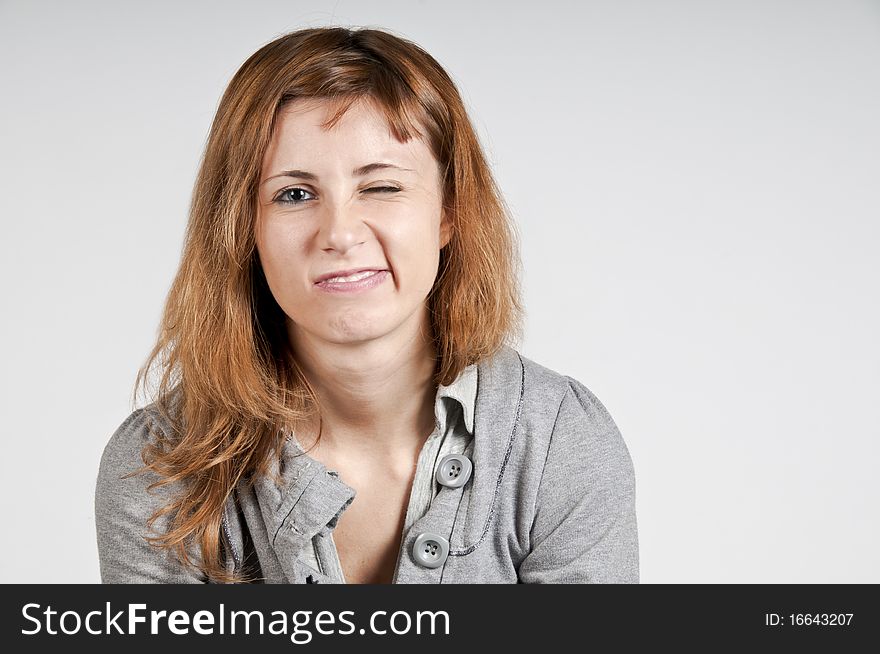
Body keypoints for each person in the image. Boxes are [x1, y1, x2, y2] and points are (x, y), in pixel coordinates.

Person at [94, 26, 639, 584]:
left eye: (381, 187)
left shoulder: (558, 441)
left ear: (448, 211)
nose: (340, 233)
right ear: (242, 226)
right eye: (294, 194)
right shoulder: (160, 466)